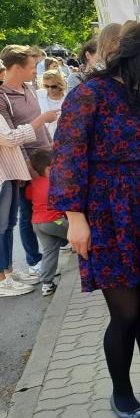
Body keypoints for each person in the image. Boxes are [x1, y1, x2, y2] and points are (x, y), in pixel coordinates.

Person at [49, 21, 140, 418]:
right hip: (106, 210)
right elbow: (67, 157)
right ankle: (121, 392)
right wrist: (75, 219)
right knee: (125, 312)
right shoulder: (89, 94)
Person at [0, 44, 54, 282]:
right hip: (25, 164)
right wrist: (25, 164)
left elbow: (40, 123)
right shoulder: (2, 97)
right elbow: (10, 135)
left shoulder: (30, 88)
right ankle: (33, 260)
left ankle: (49, 252)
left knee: (47, 205)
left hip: (45, 156)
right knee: (26, 213)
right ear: (17, 68)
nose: (35, 71)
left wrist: (52, 148)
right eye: (32, 67)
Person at [0, 111, 55, 296]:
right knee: (1, 229)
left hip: (8, 172)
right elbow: (10, 138)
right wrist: (39, 121)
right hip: (3, 175)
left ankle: (8, 272)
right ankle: (2, 280)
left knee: (8, 226)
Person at [24, 149, 66, 296]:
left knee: (49, 252)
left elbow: (28, 195)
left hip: (37, 224)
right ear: (49, 168)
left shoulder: (34, 183)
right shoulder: (54, 183)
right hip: (55, 221)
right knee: (79, 233)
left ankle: (47, 284)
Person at [36, 69, 66, 140]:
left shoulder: (68, 99)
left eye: (53, 86)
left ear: (60, 84)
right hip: (42, 138)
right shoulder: (38, 94)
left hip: (60, 138)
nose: (50, 89)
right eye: (46, 86)